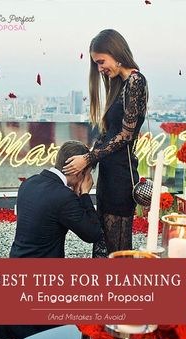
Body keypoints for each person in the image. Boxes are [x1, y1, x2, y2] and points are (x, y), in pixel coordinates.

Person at [0, 140, 103, 339]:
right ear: (79, 171)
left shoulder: (29, 183)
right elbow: (93, 234)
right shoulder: (64, 197)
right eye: (88, 173)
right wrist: (84, 195)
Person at [62, 29, 148, 256]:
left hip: (121, 177)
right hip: (109, 175)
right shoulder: (121, 84)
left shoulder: (136, 81)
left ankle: (118, 290)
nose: (99, 68)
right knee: (103, 244)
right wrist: (88, 163)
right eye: (96, 64)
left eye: (101, 62)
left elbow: (126, 135)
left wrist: (88, 158)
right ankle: (104, 289)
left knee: (117, 250)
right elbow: (109, 134)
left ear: (116, 52)